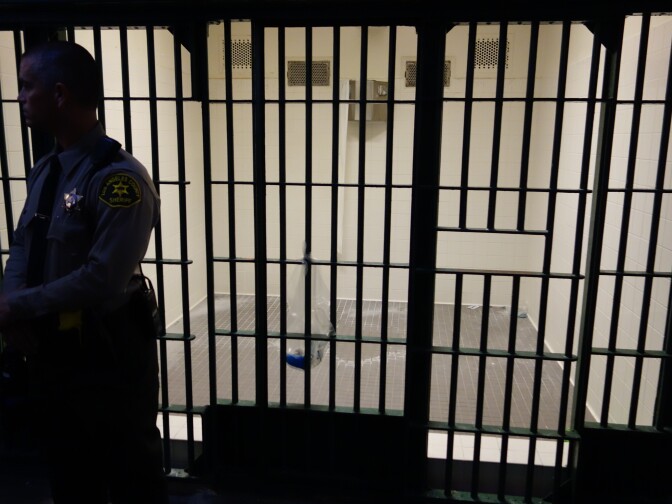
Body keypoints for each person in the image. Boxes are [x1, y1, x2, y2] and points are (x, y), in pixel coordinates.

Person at [0, 40, 168, 503]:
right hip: (53, 353)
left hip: (108, 351)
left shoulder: (118, 180)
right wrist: (10, 310)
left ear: (59, 95)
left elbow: (103, 278)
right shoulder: (46, 172)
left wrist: (18, 304)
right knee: (69, 473)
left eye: (26, 87)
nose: (20, 98)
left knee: (131, 474)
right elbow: (23, 247)